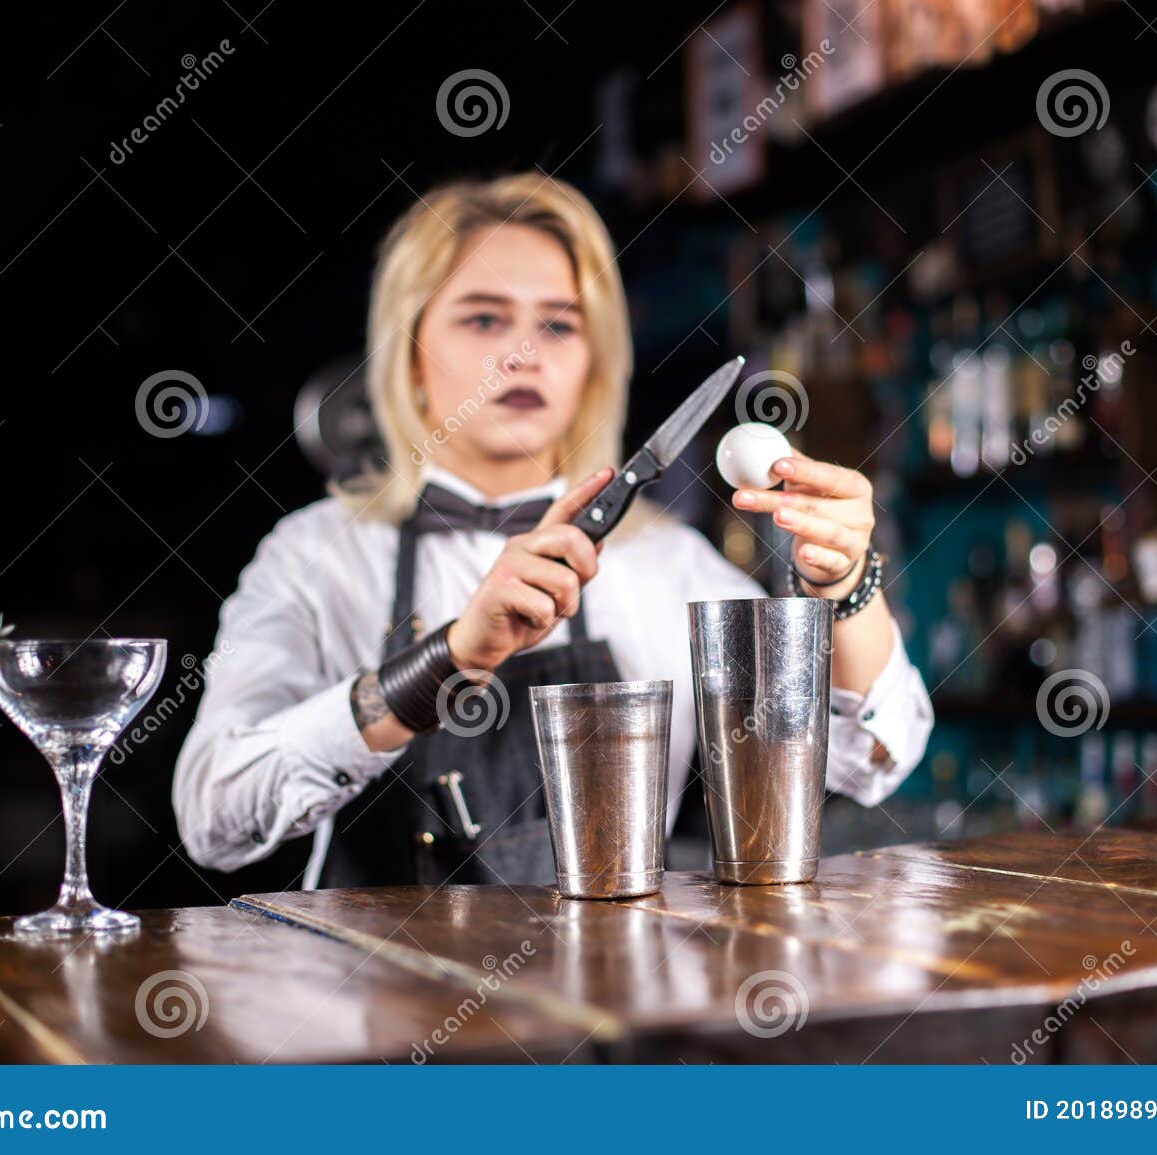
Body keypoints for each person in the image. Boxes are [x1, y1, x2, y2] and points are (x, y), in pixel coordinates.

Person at [173, 172, 933, 888]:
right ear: (409, 357)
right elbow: (212, 816)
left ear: (591, 366)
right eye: (483, 317)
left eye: (560, 325)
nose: (524, 353)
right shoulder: (314, 558)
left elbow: (869, 761)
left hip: (612, 1007)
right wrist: (446, 659)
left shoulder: (670, 565)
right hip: (383, 1010)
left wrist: (846, 585)